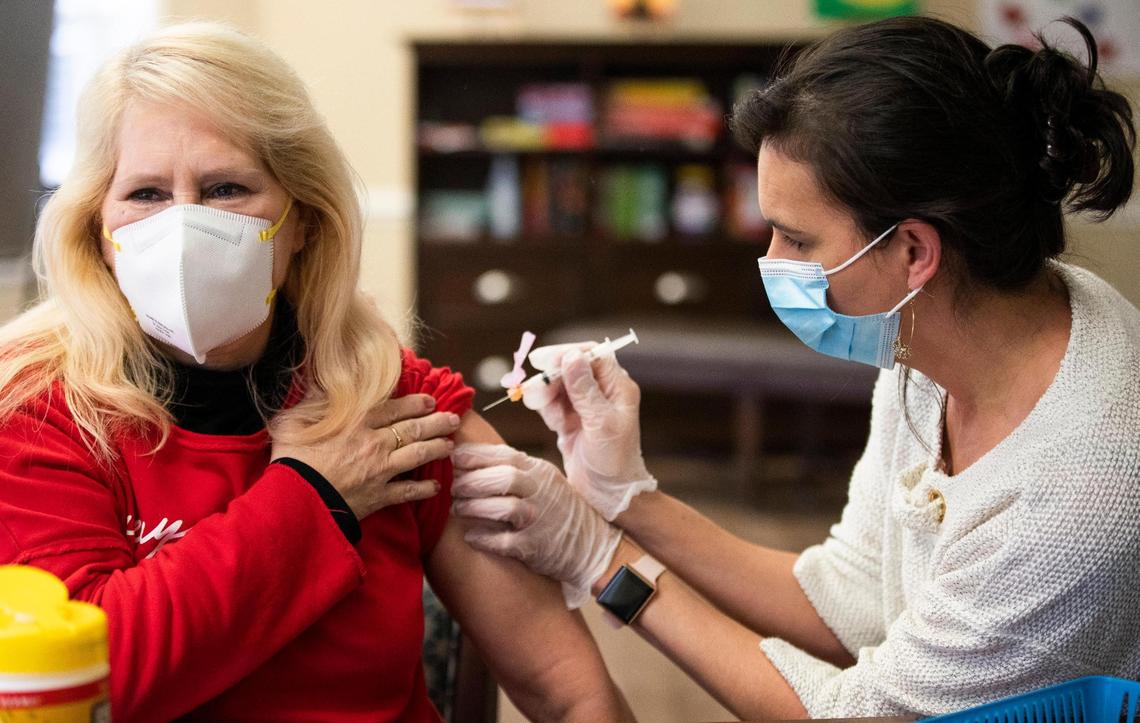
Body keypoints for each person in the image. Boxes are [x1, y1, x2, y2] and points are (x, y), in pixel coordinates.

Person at [451, 15, 1139, 721]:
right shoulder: (938, 339)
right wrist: (627, 498)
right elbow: (852, 599)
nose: (772, 263)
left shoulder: (1075, 496)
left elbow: (853, 713)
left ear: (913, 251)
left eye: (797, 239)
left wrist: (603, 562)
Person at [0, 22, 632, 723]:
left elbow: (569, 690)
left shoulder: (390, 402)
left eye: (226, 187)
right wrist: (314, 494)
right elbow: (96, 677)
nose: (183, 229)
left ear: (302, 221)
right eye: (146, 194)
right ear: (98, 231)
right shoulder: (37, 408)